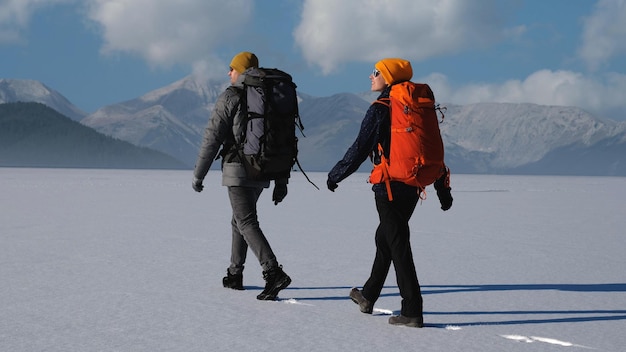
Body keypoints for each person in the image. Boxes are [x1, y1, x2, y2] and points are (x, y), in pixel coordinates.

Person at [326, 58, 453, 327]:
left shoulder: (382, 108)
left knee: (398, 244)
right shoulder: (417, 107)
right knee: (385, 237)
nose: (371, 76)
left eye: (376, 72)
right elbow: (427, 148)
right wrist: (443, 190)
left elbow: (360, 147)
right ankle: (368, 295)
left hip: (388, 186)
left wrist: (336, 174)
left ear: (388, 77)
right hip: (414, 184)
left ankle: (412, 310)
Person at [192, 51, 291, 301]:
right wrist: (281, 181)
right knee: (240, 220)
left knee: (246, 221)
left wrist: (198, 175)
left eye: (232, 68)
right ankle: (235, 274)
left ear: (242, 71)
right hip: (263, 169)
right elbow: (283, 140)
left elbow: (212, 137)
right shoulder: (269, 98)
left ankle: (273, 272)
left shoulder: (231, 96)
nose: (229, 73)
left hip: (238, 169)